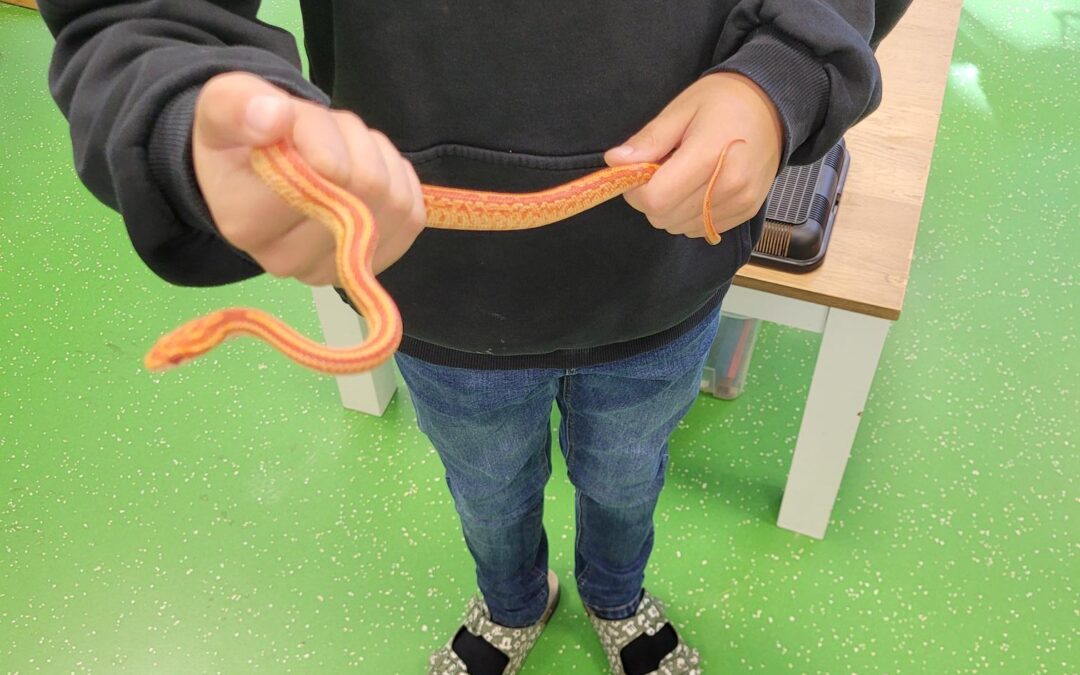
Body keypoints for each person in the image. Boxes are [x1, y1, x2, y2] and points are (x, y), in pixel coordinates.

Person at [39, 2, 881, 672]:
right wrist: (187, 106)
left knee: (628, 476)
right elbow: (133, 16)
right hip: (440, 303)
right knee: (485, 486)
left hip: (664, 281)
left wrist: (781, 75)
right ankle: (514, 600)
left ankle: (616, 598)